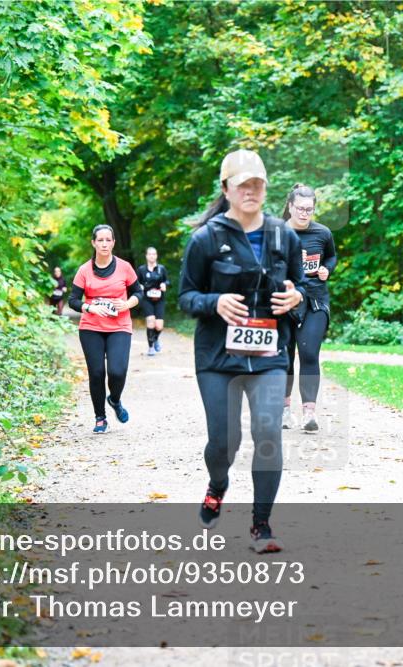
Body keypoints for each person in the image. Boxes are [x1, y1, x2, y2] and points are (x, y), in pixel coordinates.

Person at [179, 149, 307, 553]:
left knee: (268, 432)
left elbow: (302, 286)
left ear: (266, 189)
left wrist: (296, 297)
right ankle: (218, 483)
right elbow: (186, 296)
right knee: (224, 443)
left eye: (258, 184)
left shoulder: (283, 235)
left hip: (270, 355)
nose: (251, 191)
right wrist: (214, 302)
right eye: (243, 185)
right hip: (218, 359)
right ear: (226, 189)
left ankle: (261, 526)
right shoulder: (206, 239)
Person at [68, 224, 143, 434]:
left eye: (107, 240)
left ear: (113, 243)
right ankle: (100, 418)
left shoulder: (125, 267)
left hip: (119, 325)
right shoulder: (84, 270)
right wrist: (90, 306)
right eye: (99, 240)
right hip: (91, 326)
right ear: (93, 243)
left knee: (117, 372)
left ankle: (115, 400)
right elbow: (73, 300)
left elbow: (139, 292)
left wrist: (128, 304)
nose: (104, 244)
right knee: (97, 372)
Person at [281, 184, 337, 432]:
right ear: (290, 207)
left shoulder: (323, 233)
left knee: (309, 353)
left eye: (309, 209)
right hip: (284, 302)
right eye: (300, 208)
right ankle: (283, 411)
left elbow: (331, 257)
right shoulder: (278, 233)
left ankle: (309, 414)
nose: (304, 213)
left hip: (315, 300)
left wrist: (327, 269)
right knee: (284, 357)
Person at [136, 247, 169, 356]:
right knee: (151, 321)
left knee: (159, 326)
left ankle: (155, 339)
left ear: (156, 255)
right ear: (146, 256)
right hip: (147, 299)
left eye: (154, 254)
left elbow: (167, 280)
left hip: (160, 299)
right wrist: (139, 286)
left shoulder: (161, 269)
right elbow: (136, 283)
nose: (152, 256)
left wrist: (165, 284)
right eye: (150, 254)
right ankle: (151, 348)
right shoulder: (141, 270)